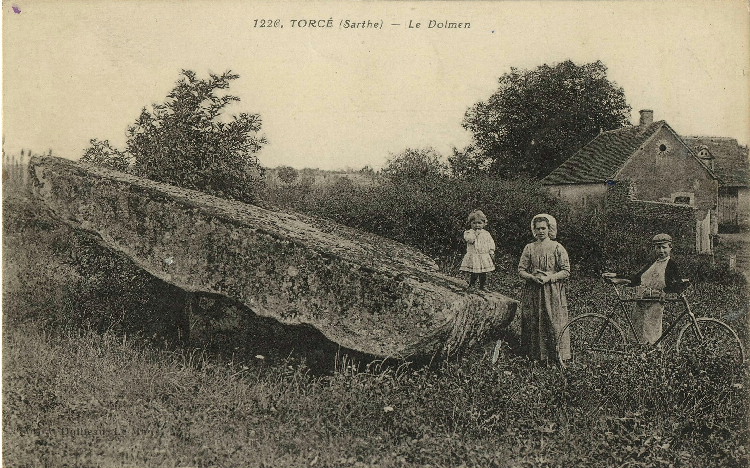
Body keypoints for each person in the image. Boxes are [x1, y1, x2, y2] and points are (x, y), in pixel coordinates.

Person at [604, 233, 685, 345]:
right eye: (658, 247)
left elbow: (678, 283)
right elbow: (637, 278)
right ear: (654, 249)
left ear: (670, 248)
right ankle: (637, 352)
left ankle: (650, 353)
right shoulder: (652, 263)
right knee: (637, 329)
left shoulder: (671, 265)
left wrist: (666, 291)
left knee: (651, 330)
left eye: (664, 247)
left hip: (655, 301)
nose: (661, 251)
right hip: (641, 299)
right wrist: (617, 276)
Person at [518, 214, 571, 362]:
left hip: (552, 291)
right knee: (533, 319)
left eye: (543, 228)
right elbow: (521, 270)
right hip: (533, 290)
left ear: (549, 229)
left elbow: (566, 271)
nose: (541, 231)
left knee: (553, 320)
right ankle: (534, 355)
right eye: (538, 228)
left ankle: (556, 355)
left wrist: (550, 278)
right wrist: (531, 277)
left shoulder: (557, 247)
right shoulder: (529, 248)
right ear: (534, 230)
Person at [459, 209, 496, 291]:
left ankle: (483, 286)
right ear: (470, 223)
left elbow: (490, 242)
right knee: (474, 272)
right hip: (474, 256)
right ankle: (472, 285)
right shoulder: (469, 232)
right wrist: (475, 234)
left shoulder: (486, 233)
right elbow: (470, 240)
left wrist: (491, 251)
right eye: (474, 223)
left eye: (479, 223)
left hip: (483, 256)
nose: (477, 225)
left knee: (483, 273)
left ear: (484, 224)